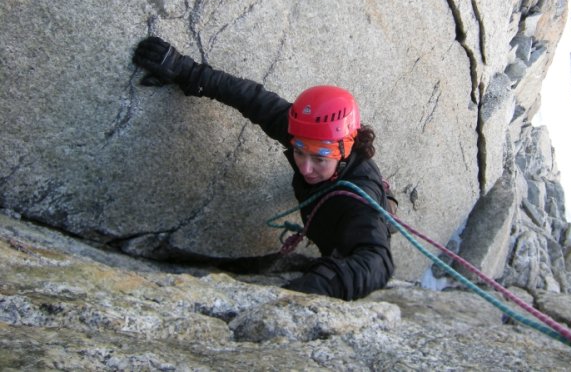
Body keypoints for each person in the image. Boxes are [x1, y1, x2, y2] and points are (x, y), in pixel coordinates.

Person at [132, 36, 394, 300]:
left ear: (344, 151)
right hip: (328, 205)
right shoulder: (311, 133)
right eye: (299, 152)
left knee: (352, 237)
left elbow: (377, 262)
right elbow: (251, 99)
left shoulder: (360, 200)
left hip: (347, 226)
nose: (305, 167)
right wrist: (185, 70)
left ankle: (389, 205)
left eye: (319, 159)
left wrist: (318, 285)